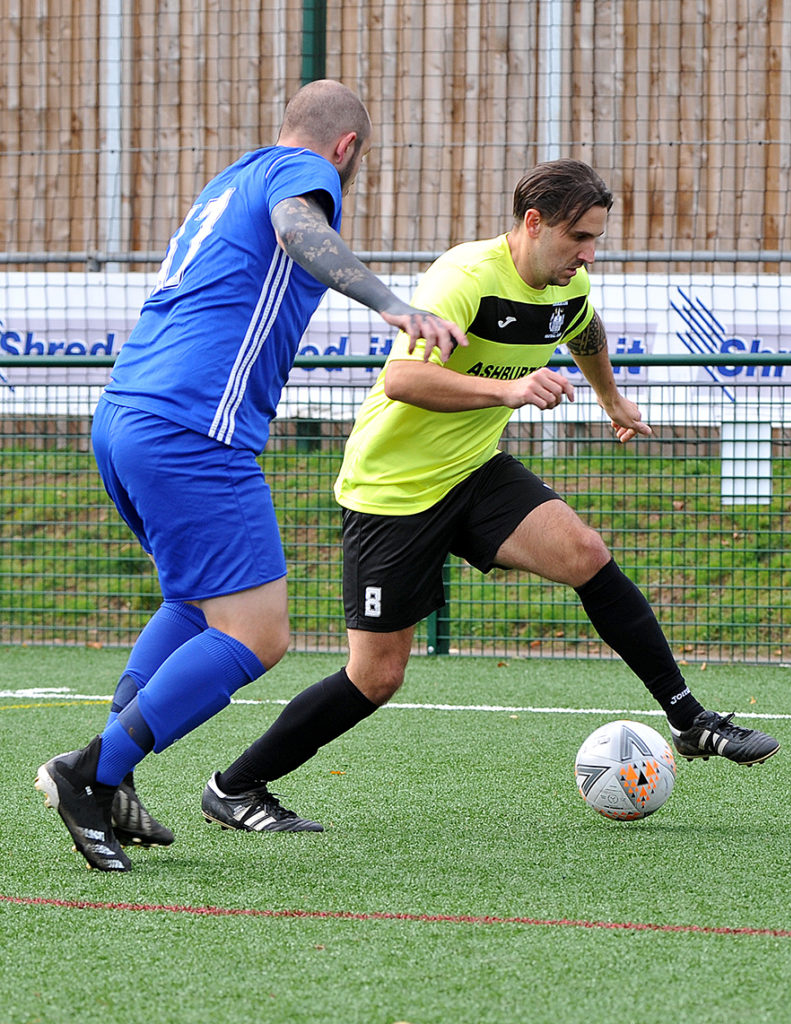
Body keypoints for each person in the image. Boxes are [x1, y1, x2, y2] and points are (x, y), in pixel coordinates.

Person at [203, 158, 779, 833]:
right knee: (376, 676)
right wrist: (509, 390)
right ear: (533, 223)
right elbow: (405, 381)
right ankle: (235, 786)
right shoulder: (465, 277)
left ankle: (690, 721)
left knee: (586, 553)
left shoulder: (567, 283)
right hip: (393, 491)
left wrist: (611, 397)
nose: (587, 254)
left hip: (473, 470)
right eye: (577, 238)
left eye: (595, 239)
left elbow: (583, 327)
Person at [33, 79, 467, 872]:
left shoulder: (230, 177)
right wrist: (391, 304)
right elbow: (300, 225)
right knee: (258, 634)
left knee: (194, 605)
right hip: (193, 431)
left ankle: (113, 772)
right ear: (346, 149)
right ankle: (88, 772)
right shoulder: (305, 179)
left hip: (127, 418)